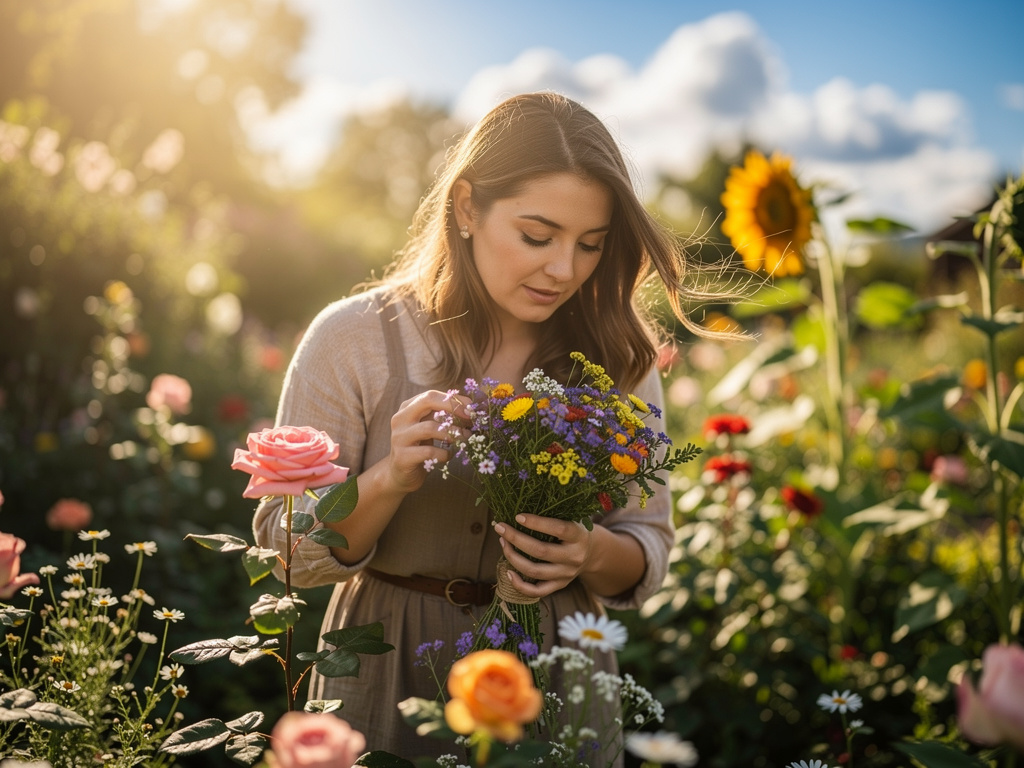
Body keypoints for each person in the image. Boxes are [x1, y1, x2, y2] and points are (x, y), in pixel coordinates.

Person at [253, 91, 716, 764]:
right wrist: (386, 479)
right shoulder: (352, 339)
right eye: (537, 236)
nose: (563, 269)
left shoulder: (619, 355)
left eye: (590, 245)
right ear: (467, 207)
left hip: (552, 681)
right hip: (385, 675)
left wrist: (586, 554)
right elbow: (285, 552)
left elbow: (647, 546)